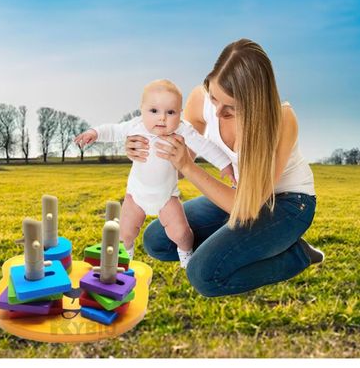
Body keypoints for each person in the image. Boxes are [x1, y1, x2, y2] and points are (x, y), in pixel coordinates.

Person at [125, 39, 324, 297]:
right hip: (236, 194)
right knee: (158, 241)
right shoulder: (201, 99)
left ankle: (297, 254)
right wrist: (140, 149)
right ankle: (253, 243)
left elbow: (245, 206)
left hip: (286, 204)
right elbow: (174, 155)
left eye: (231, 107)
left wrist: (188, 165)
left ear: (255, 103)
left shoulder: (281, 120)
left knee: (204, 275)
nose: (217, 111)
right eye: (215, 97)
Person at [74, 79, 235, 268]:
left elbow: (205, 146)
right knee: (125, 233)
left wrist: (225, 164)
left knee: (181, 233)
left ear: (179, 114)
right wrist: (95, 133)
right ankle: (126, 257)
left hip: (167, 198)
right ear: (141, 110)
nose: (162, 118)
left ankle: (186, 253)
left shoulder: (182, 130)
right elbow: (113, 130)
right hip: (136, 195)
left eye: (171, 112)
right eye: (154, 111)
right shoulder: (135, 127)